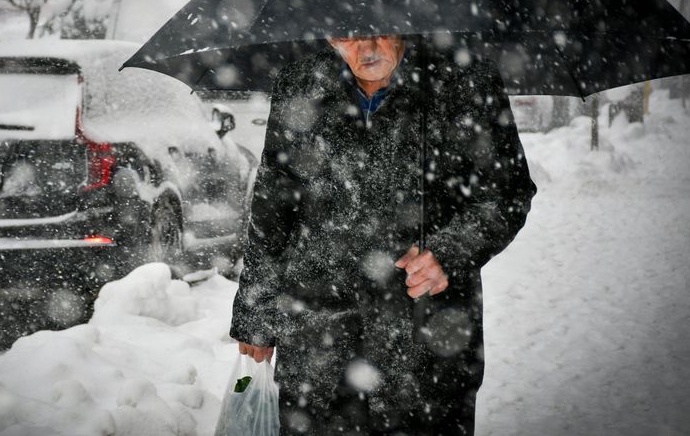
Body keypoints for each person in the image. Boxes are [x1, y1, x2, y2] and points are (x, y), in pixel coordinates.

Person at [229, 34, 537, 436]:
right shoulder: (301, 83)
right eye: (345, 37)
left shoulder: (463, 82)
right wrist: (256, 312)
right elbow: (272, 209)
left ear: (405, 21)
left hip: (423, 344)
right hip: (318, 342)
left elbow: (507, 192)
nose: (364, 50)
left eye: (376, 31)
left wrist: (450, 252)